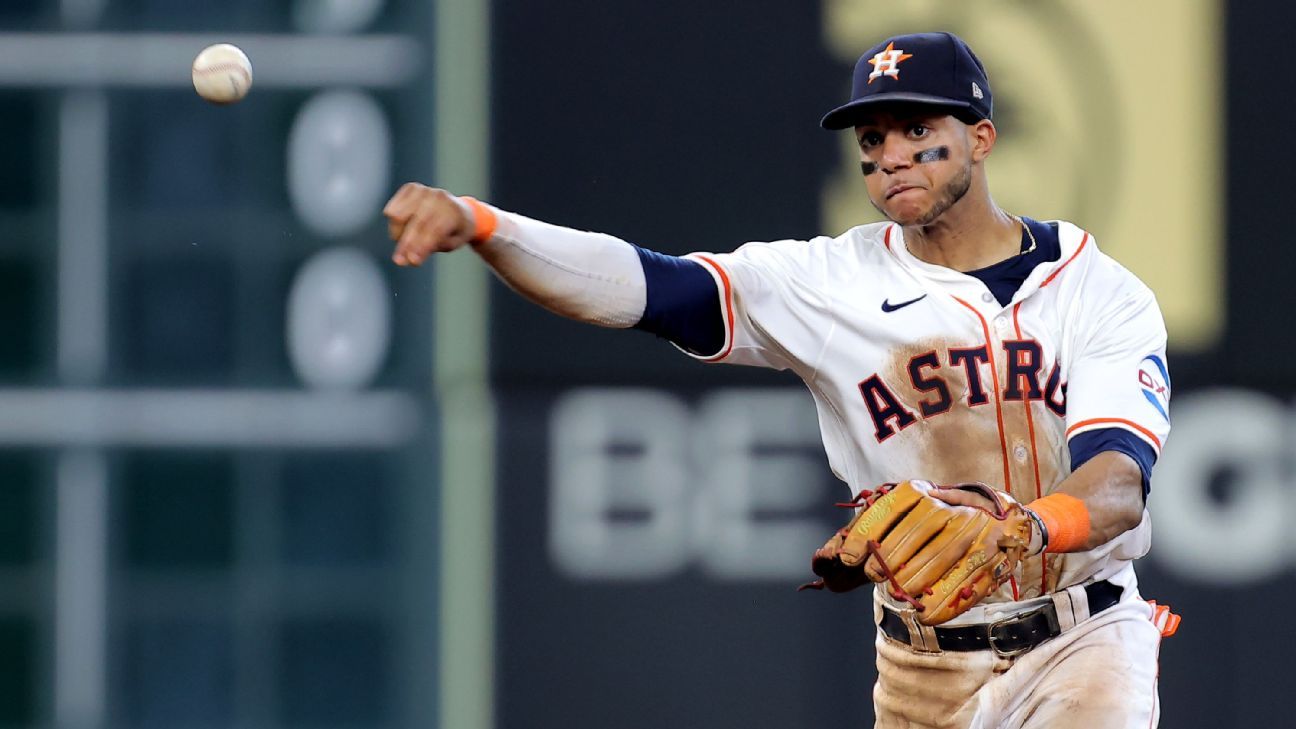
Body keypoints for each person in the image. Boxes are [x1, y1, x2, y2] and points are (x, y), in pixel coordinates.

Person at [383, 30, 1178, 729]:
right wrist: (489, 227)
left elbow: (1116, 485)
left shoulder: (1096, 290)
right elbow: (648, 288)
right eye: (873, 136)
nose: (891, 152)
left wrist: (1024, 528)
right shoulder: (826, 283)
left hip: (1085, 634)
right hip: (927, 665)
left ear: (981, 137)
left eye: (917, 128)